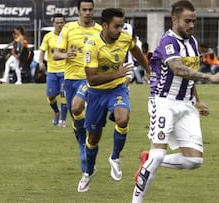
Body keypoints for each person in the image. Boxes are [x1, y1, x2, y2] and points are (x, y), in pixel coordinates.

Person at [132, 1, 219, 202]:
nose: (191, 25)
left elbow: (189, 74)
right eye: (187, 21)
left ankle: (147, 160)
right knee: (158, 154)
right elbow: (178, 69)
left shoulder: (192, 42)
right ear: (175, 19)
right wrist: (210, 77)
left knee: (194, 160)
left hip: (186, 105)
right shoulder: (168, 41)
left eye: (194, 21)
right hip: (164, 103)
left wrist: (198, 100)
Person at [78, 8, 150, 192]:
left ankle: (115, 157)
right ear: (104, 26)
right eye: (116, 26)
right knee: (93, 138)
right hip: (96, 93)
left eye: (121, 26)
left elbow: (136, 50)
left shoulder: (125, 38)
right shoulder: (92, 45)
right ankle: (88, 172)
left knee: (122, 118)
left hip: (117, 88)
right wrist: (117, 73)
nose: (120, 30)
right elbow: (91, 79)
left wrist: (149, 70)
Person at [52, 0, 102, 191]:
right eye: (84, 10)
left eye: (90, 9)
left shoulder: (99, 30)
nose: (87, 13)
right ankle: (85, 146)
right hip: (70, 79)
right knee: (77, 119)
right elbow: (56, 54)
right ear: (78, 11)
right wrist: (67, 56)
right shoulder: (68, 29)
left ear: (93, 11)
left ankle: (87, 152)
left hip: (90, 80)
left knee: (77, 108)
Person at [39, 13, 67, 127]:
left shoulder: (67, 36)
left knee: (63, 94)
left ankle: (63, 120)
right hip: (52, 71)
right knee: (50, 96)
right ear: (53, 24)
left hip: (65, 70)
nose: (59, 25)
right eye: (57, 23)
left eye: (61, 22)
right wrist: (41, 62)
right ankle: (56, 111)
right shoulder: (48, 37)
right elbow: (42, 51)